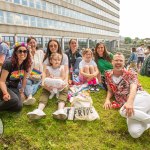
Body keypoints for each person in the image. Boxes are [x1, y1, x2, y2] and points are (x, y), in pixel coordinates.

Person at [103, 52, 150, 138]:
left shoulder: (130, 72)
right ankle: (147, 113)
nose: (118, 62)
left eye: (121, 60)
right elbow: (110, 90)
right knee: (134, 133)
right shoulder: (107, 74)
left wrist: (129, 102)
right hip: (131, 104)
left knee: (123, 111)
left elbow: (133, 88)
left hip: (139, 96)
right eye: (116, 60)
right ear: (112, 62)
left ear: (124, 62)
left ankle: (145, 114)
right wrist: (107, 99)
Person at [27, 39, 68, 120]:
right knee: (45, 91)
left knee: (64, 90)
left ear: (58, 46)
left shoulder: (64, 57)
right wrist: (43, 83)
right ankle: (39, 110)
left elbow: (66, 73)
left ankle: (60, 110)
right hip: (49, 81)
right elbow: (44, 72)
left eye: (55, 45)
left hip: (60, 82)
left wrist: (65, 83)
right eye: (51, 46)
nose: (53, 47)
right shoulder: (47, 58)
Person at [0, 42, 32, 111]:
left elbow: (24, 79)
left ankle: (5, 102)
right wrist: (5, 93)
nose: (22, 53)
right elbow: (2, 81)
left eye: (25, 51)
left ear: (27, 53)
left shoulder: (26, 64)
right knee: (14, 100)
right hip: (4, 86)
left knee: (19, 107)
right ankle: (5, 99)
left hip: (14, 87)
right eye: (20, 51)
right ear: (16, 53)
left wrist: (22, 91)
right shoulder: (8, 63)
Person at [23, 37, 45, 105]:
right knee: (27, 82)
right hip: (29, 76)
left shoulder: (40, 52)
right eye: (30, 43)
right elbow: (29, 65)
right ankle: (30, 97)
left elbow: (43, 64)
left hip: (38, 75)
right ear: (27, 44)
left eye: (34, 42)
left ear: (36, 43)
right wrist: (29, 52)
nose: (32, 44)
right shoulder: (25, 54)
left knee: (33, 83)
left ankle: (29, 94)